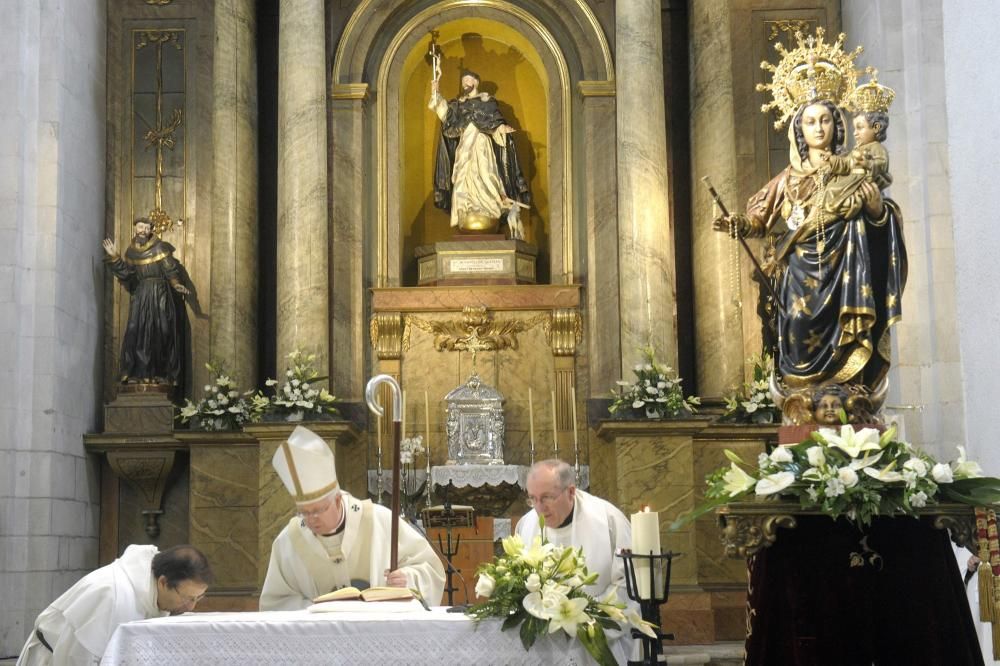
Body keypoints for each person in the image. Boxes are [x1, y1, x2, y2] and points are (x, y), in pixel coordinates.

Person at [714, 98, 907, 392]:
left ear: (838, 125)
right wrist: (737, 224)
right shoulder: (789, 179)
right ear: (798, 130)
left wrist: (878, 211)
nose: (819, 128)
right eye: (810, 121)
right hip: (799, 277)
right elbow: (758, 219)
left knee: (847, 336)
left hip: (846, 271)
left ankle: (848, 396)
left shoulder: (855, 167)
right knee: (796, 328)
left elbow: (881, 227)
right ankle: (801, 400)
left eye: (825, 120)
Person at [260, 426, 446, 610]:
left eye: (318, 510)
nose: (311, 519)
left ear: (338, 499)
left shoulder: (379, 521)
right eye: (304, 512)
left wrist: (407, 579)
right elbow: (275, 603)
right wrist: (317, 611)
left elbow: (430, 569)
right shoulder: (290, 541)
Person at [17, 544, 212, 665]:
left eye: (198, 598)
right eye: (187, 598)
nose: (191, 607)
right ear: (163, 582)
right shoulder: (111, 594)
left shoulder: (146, 588)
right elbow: (77, 657)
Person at [515, 460, 632, 607]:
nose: (539, 508)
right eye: (533, 498)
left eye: (547, 497)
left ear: (570, 492)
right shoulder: (526, 524)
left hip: (598, 622)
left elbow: (628, 582)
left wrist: (589, 612)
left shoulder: (609, 520)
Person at [428, 70, 531, 236]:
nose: (464, 85)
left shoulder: (487, 102)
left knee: (485, 174)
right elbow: (446, 115)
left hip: (482, 145)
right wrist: (436, 92)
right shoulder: (458, 104)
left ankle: (488, 209)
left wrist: (501, 128)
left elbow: (495, 121)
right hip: (464, 148)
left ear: (475, 82)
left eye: (467, 81)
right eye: (463, 82)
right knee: (464, 177)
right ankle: (466, 209)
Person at [102, 217, 190, 385]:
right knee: (136, 330)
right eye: (140, 227)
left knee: (162, 330)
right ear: (135, 228)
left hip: (160, 293)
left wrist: (176, 284)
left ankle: (163, 374)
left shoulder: (160, 248)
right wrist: (115, 257)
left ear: (151, 230)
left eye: (146, 227)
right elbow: (127, 275)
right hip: (141, 294)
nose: (142, 230)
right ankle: (138, 373)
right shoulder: (131, 252)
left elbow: (170, 268)